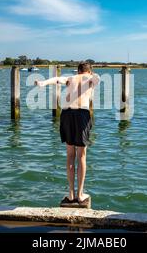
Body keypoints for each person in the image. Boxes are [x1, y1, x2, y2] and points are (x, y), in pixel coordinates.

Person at [35, 63, 100, 207]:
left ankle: (71, 194)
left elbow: (56, 79)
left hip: (66, 114)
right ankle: (80, 195)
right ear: (89, 70)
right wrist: (92, 76)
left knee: (70, 154)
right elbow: (97, 79)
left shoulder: (70, 77)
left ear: (77, 70)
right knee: (81, 155)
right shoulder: (89, 77)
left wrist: (42, 83)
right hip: (81, 114)